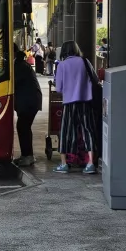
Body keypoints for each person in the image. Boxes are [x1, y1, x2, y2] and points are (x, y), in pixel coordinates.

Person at [54, 41, 99, 174]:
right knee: (88, 130)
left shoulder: (62, 65)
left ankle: (64, 164)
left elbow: (59, 88)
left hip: (69, 103)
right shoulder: (85, 62)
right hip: (85, 102)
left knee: (66, 132)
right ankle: (90, 163)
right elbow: (95, 79)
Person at [13, 45, 42, 167]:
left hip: (29, 101)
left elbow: (12, 82)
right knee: (23, 127)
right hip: (30, 101)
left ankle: (28, 156)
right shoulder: (20, 64)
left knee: (23, 126)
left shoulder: (19, 66)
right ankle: (27, 155)